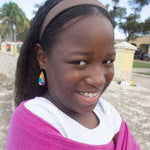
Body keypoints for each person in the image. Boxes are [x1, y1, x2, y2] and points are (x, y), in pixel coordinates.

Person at [6, 0, 140, 149]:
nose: (98, 80)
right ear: (42, 57)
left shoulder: (108, 114)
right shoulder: (34, 120)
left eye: (108, 61)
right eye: (80, 63)